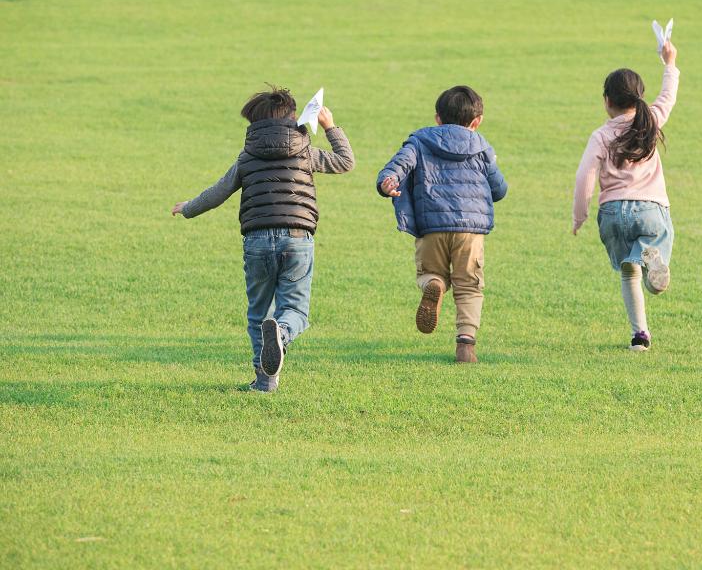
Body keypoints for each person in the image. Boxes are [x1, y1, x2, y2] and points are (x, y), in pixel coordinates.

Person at [171, 86, 355, 392]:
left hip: (256, 241)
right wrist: (330, 127)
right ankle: (281, 334)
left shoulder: (247, 157)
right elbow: (345, 161)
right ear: (294, 118)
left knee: (259, 313)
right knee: (295, 311)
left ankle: (264, 382)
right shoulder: (305, 152)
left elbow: (218, 192)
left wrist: (188, 208)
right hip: (297, 238)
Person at [376, 86, 507, 363]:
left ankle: (433, 284)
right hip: (470, 231)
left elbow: (397, 166)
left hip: (431, 225)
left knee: (430, 272)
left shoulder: (420, 141)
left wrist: (388, 182)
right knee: (469, 285)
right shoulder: (482, 147)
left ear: (437, 118)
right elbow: (499, 189)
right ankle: (466, 345)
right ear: (477, 121)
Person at [573, 39, 680, 351]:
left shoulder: (601, 135)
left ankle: (639, 337)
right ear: (640, 97)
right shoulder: (650, 123)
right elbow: (668, 96)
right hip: (650, 210)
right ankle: (651, 259)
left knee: (628, 273)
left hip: (612, 214)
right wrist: (669, 63)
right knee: (647, 256)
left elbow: (584, 176)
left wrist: (580, 216)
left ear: (607, 101)